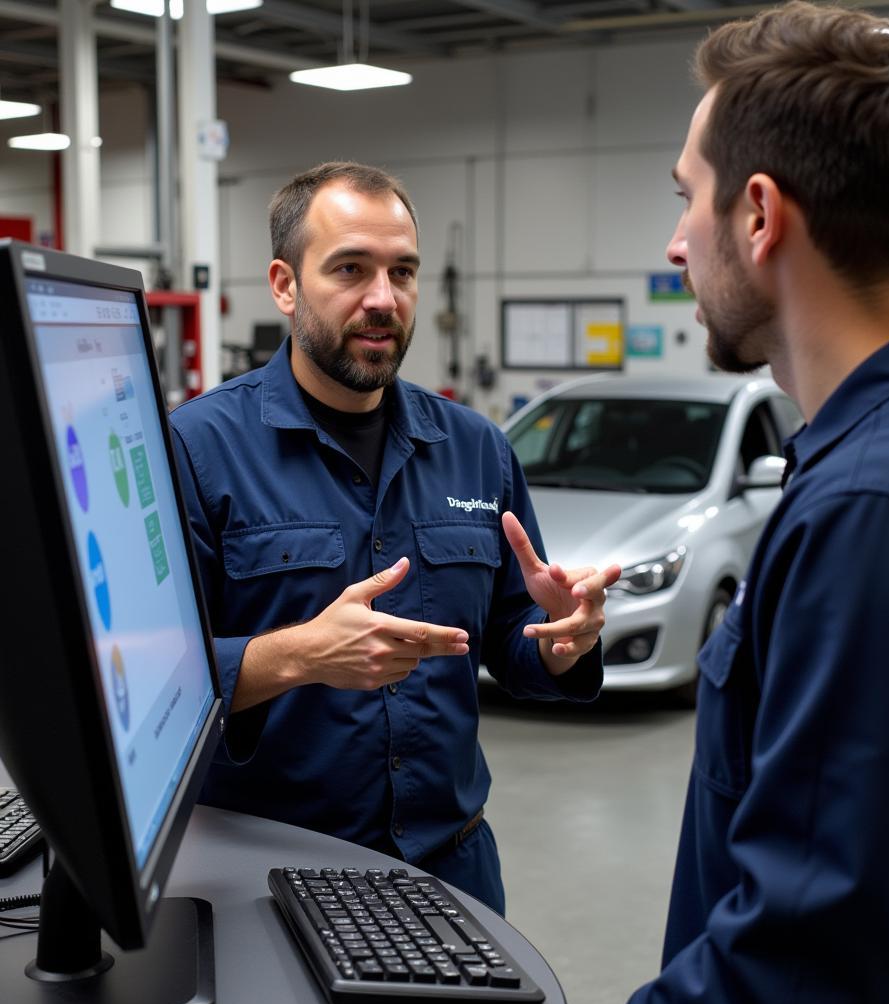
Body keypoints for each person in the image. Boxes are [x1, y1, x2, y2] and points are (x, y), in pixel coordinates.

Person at [619, 3, 889, 1004]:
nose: (675, 243)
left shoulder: (881, 512)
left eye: (687, 198)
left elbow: (798, 981)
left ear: (757, 215)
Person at [170, 161, 620, 914]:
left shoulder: (478, 447)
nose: (383, 299)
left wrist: (556, 644)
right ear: (284, 285)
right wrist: (304, 654)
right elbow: (154, 679)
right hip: (266, 880)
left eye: (402, 272)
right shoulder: (197, 447)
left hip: (453, 872)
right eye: (350, 269)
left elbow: (510, 639)